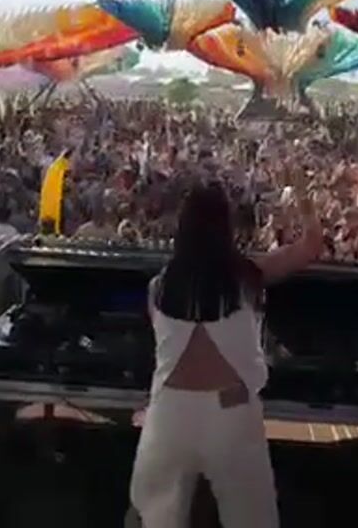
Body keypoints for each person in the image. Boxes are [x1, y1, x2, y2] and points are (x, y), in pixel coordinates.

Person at [129, 178, 324, 527]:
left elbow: (164, 348)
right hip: (231, 406)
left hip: (169, 411)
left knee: (157, 519)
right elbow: (310, 246)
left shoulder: (158, 286)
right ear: (226, 227)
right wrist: (305, 204)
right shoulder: (246, 276)